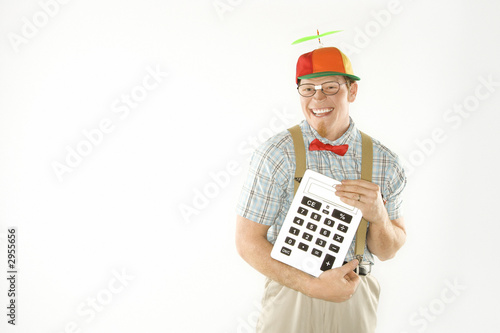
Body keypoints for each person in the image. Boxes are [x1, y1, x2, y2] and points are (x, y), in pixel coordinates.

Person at [235, 46, 407, 333]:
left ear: (352, 91)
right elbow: (247, 242)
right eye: (308, 88)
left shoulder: (385, 161)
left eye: (330, 87)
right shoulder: (276, 154)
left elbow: (387, 251)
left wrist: (378, 216)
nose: (318, 98)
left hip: (355, 294)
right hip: (292, 296)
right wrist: (312, 286)